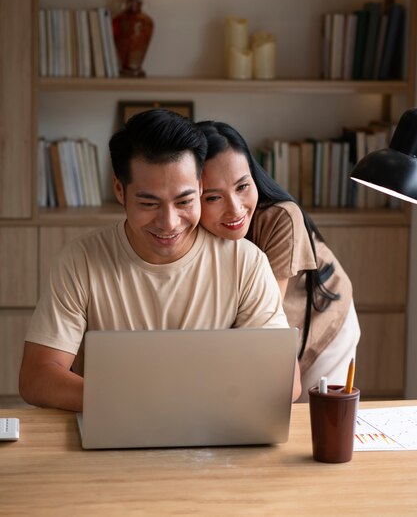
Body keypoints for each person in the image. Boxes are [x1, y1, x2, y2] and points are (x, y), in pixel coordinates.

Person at [20, 109, 301, 411]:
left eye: (184, 201)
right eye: (148, 203)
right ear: (119, 189)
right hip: (113, 425)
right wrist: (139, 404)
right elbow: (37, 377)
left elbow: (285, 381)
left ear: (200, 187)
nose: (169, 223)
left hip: (212, 435)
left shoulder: (247, 264)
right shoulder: (80, 261)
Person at [196, 120, 361, 402]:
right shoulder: (186, 226)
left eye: (242, 186)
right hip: (268, 334)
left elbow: (264, 318)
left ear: (254, 176)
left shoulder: (280, 218)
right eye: (213, 197)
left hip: (321, 317)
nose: (235, 208)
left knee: (313, 424)